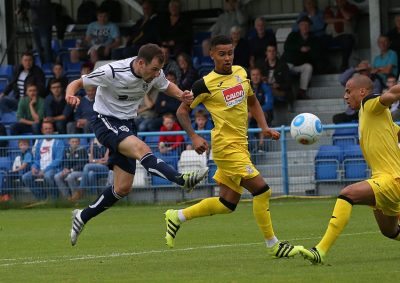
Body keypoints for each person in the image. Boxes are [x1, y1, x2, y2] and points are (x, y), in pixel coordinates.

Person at [164, 35, 302, 258]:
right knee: (262, 191)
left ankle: (177, 216)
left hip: (241, 146)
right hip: (226, 148)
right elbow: (181, 111)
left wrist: (264, 127)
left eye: (230, 53)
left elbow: (253, 101)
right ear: (211, 55)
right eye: (222, 54)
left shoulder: (241, 72)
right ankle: (273, 245)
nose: (227, 58)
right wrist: (194, 137)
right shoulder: (205, 84)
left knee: (227, 203)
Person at [66, 43, 209, 246]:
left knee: (122, 188)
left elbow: (168, 87)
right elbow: (77, 83)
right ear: (141, 63)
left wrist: (182, 95)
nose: (157, 74)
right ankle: (182, 180)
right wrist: (70, 95)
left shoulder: (154, 73)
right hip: (105, 120)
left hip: (127, 124)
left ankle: (82, 216)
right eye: (153, 69)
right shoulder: (113, 71)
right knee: (142, 149)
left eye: (159, 70)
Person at [300, 74, 400, 264]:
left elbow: (392, 93)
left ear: (362, 91)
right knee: (390, 231)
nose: (345, 96)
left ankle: (320, 250)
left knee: (347, 194)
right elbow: (395, 132)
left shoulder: (369, 103)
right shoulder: (376, 118)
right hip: (388, 180)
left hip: (390, 180)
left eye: (348, 91)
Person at [22, 122, 64, 200]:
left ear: (53, 129)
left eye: (50, 128)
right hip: (40, 168)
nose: (48, 130)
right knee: (25, 177)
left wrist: (45, 170)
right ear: (42, 130)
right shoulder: (39, 142)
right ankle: (42, 198)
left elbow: (58, 160)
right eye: (46, 129)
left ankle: (55, 199)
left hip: (54, 168)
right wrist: (34, 167)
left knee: (47, 176)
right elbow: (37, 158)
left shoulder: (58, 142)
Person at [282, 16, 319, 99]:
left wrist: (309, 49)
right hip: (289, 64)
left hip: (300, 66)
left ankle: (302, 92)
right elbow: (287, 47)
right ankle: (288, 93)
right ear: (299, 26)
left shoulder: (313, 38)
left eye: (306, 25)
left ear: (309, 26)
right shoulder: (293, 35)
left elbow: (316, 52)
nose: (305, 27)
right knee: (286, 68)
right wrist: (300, 48)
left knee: (308, 67)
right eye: (302, 25)